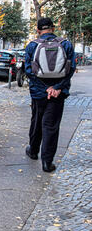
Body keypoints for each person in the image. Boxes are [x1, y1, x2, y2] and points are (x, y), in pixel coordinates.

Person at [25, 17, 76, 173]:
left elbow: (29, 71)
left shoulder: (32, 46)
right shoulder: (65, 44)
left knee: (37, 121)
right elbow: (71, 69)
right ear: (53, 29)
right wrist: (57, 87)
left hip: (39, 93)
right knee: (51, 126)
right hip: (58, 94)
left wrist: (45, 88)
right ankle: (47, 162)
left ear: (38, 31)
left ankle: (33, 151)